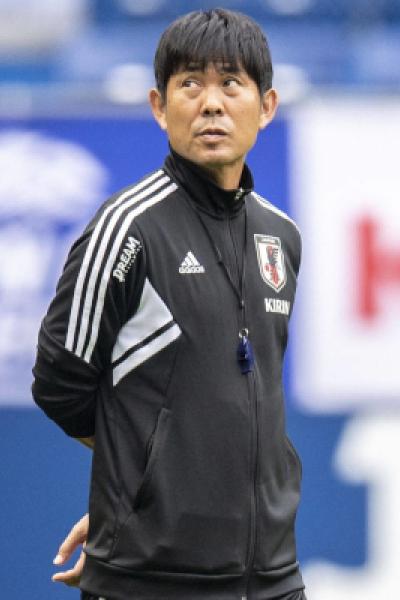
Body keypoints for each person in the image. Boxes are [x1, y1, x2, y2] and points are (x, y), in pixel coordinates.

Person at [32, 8, 306, 600]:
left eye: (231, 84)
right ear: (159, 106)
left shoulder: (281, 237)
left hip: (273, 579)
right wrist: (141, 490)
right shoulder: (127, 228)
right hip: (148, 581)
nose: (211, 104)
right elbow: (58, 383)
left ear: (267, 106)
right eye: (190, 85)